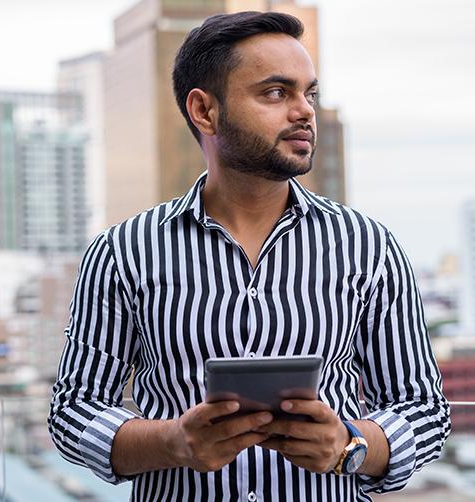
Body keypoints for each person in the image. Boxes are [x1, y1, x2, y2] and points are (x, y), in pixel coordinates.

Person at [47, 11, 450, 502]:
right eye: (276, 93)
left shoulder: (369, 246)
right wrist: (173, 443)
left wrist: (350, 445)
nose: (305, 112)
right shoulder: (123, 252)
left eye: (309, 93)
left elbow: (423, 408)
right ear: (205, 111)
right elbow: (74, 410)